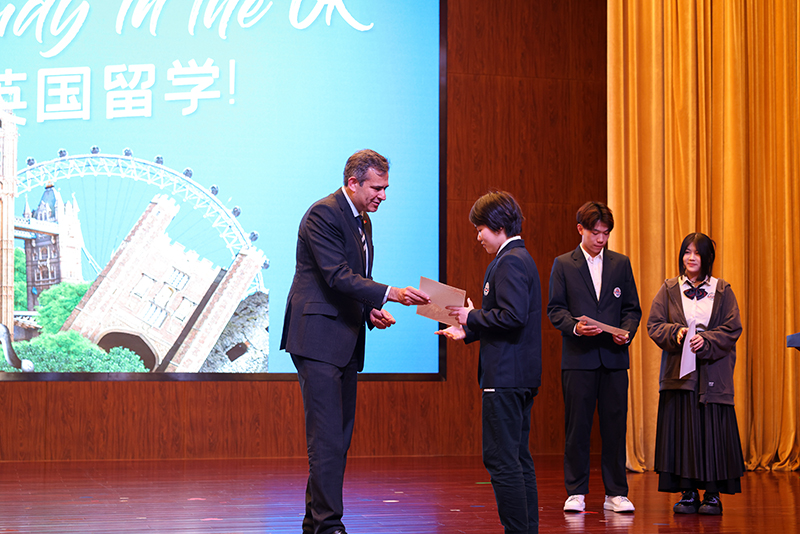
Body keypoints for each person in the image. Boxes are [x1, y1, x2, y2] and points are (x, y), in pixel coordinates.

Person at [280, 149, 430, 534]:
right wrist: (391, 293)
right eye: (377, 188)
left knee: (338, 438)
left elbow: (350, 284)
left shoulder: (363, 221)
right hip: (317, 339)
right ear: (353, 183)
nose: (383, 195)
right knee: (328, 438)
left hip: (344, 340)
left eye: (386, 188)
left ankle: (316, 522)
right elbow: (337, 276)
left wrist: (369, 311)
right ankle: (329, 525)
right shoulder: (324, 213)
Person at [437, 191, 542, 534]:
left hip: (506, 377)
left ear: (498, 226)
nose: (478, 236)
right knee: (518, 458)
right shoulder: (519, 257)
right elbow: (508, 318)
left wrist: (471, 316)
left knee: (502, 460)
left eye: (480, 228)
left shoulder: (509, 261)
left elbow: (512, 316)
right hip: (519, 376)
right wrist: (468, 329)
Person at [546, 201, 641, 514]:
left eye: (606, 233)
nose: (601, 239)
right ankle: (576, 491)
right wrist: (575, 327)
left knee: (615, 427)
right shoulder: (563, 264)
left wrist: (627, 332)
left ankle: (616, 493)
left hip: (614, 359)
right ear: (580, 229)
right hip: (579, 359)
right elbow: (555, 310)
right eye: (595, 232)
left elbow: (632, 309)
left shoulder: (620, 263)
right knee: (578, 428)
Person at [647, 232, 744, 515]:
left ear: (707, 258)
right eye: (687, 252)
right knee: (683, 431)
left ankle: (712, 494)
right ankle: (687, 492)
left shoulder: (722, 289)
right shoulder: (669, 288)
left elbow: (732, 328)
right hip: (680, 374)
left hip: (714, 374)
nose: (691, 258)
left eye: (697, 253)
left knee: (713, 430)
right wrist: (676, 332)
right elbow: (654, 324)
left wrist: (707, 340)